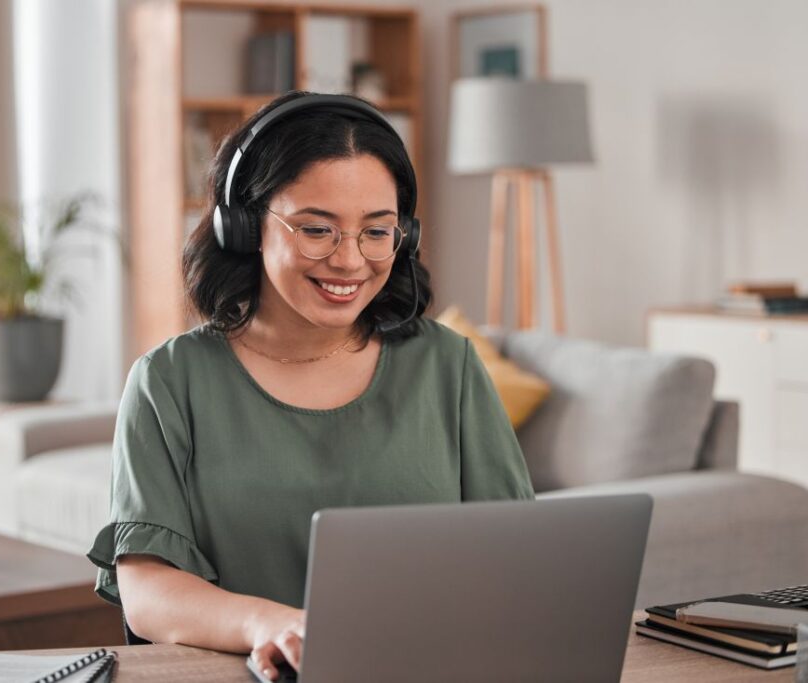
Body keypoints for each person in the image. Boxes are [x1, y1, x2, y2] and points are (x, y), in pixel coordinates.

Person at [87, 91, 534, 680]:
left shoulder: (447, 366)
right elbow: (147, 591)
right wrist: (267, 625)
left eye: (377, 232)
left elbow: (520, 560)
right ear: (244, 226)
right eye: (317, 229)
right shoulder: (169, 382)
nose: (350, 261)